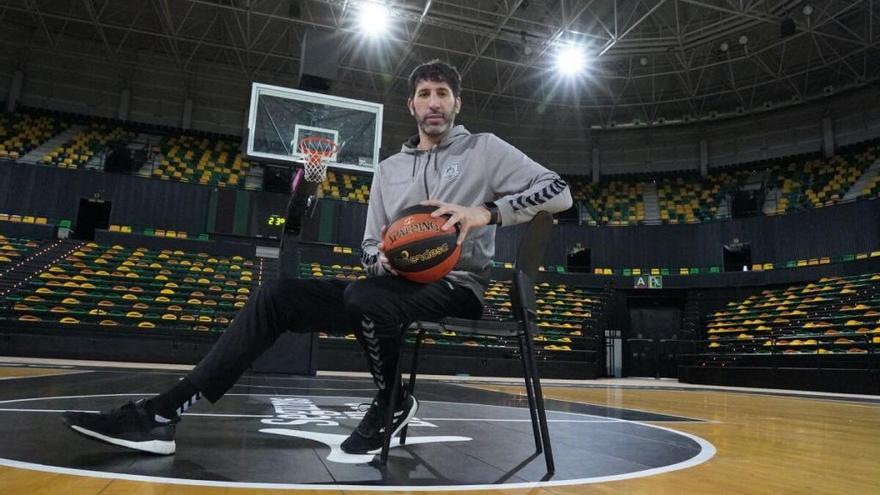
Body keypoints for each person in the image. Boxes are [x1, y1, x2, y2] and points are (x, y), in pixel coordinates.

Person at [61, 59, 572, 456]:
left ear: (457, 103)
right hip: (391, 287)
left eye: (442, 94)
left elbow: (560, 192)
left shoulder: (484, 149)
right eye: (424, 94)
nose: (433, 102)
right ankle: (162, 416)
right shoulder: (389, 169)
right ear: (411, 105)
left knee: (367, 296)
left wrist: (485, 213)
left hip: (458, 288)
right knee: (278, 295)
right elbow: (372, 245)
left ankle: (391, 402)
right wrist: (383, 261)